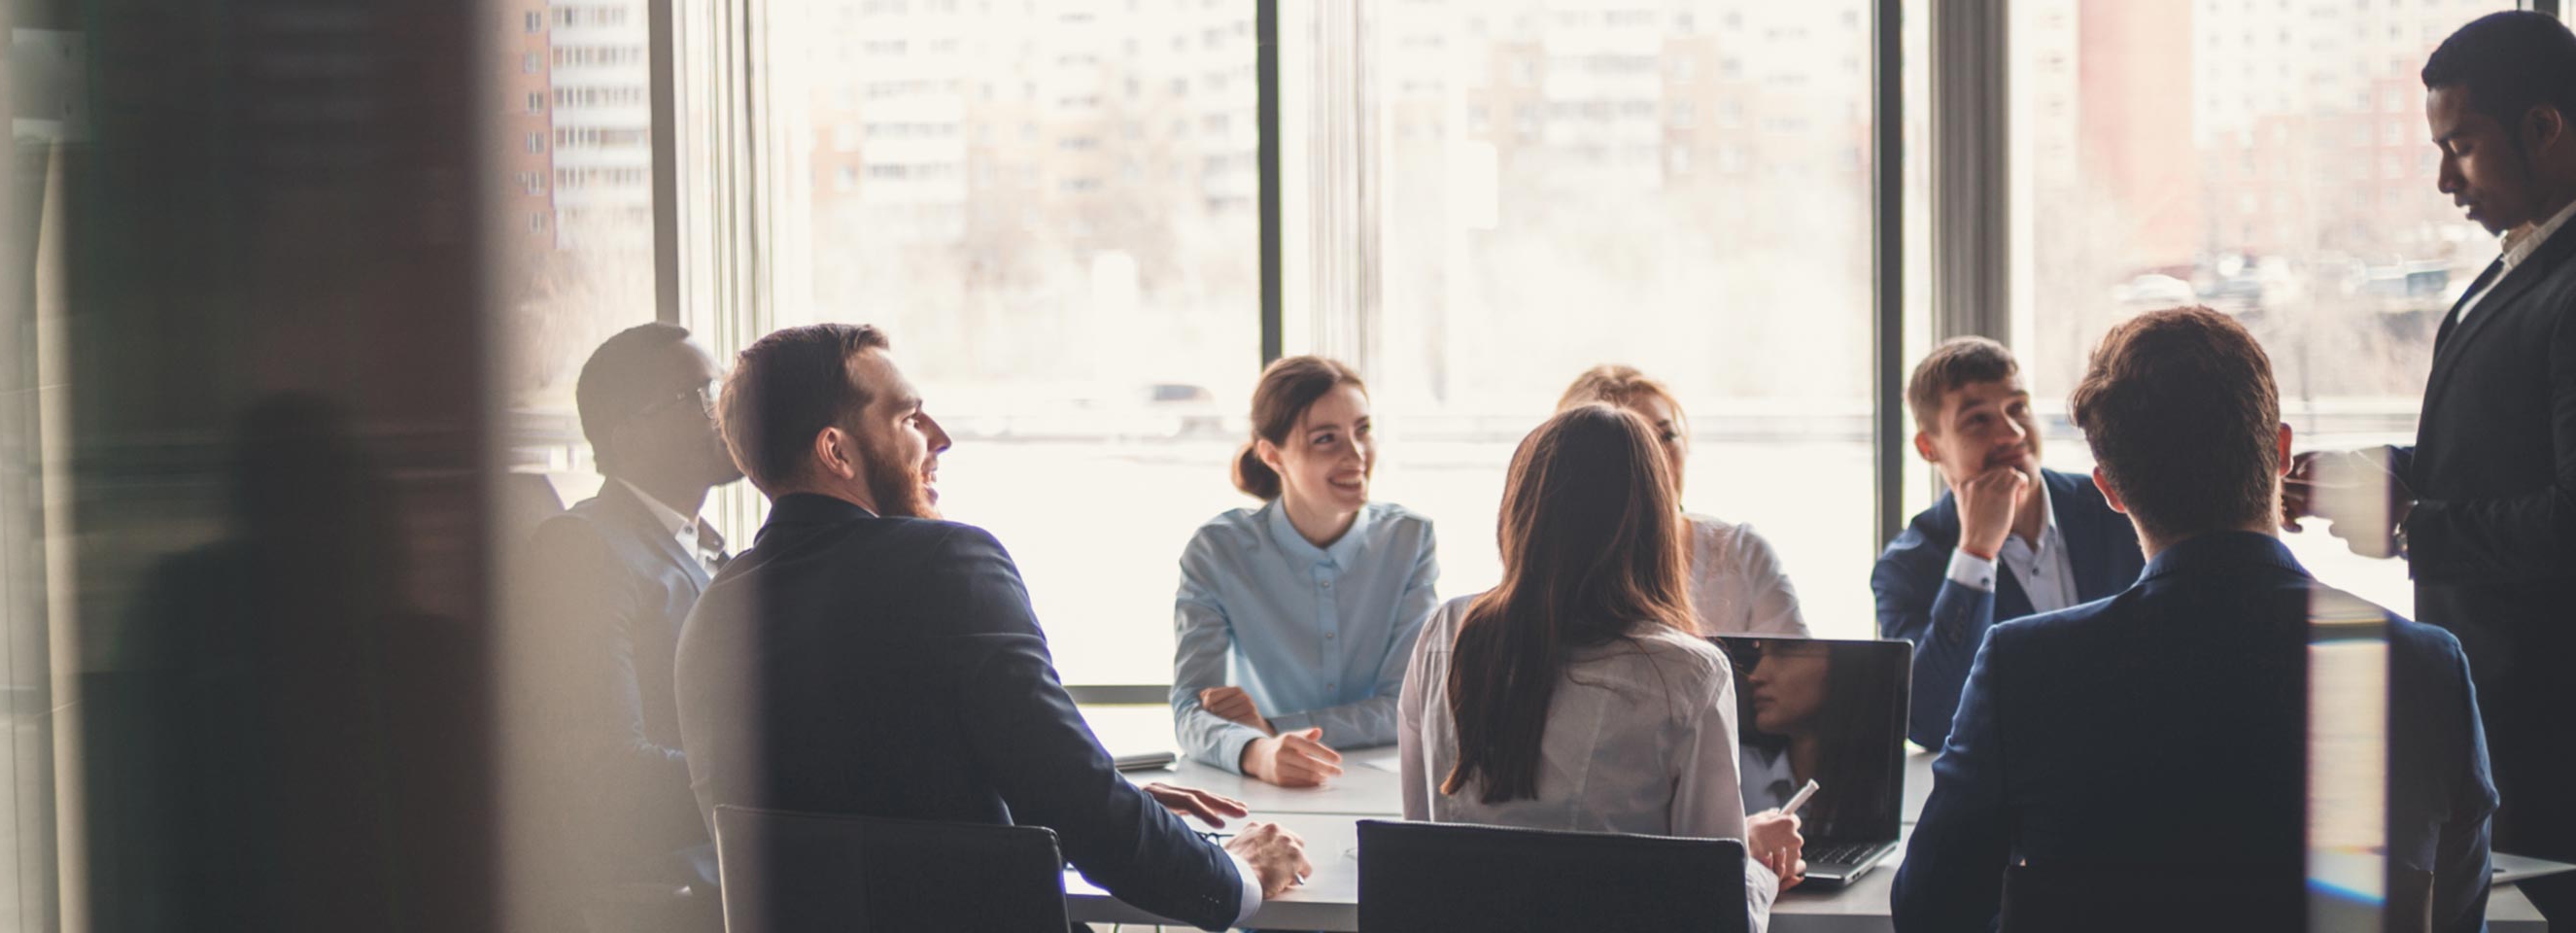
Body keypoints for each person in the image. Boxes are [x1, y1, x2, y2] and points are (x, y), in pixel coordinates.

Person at [2284, 13, 2576, 928]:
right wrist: (2365, 476)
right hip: (2526, 712)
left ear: (2545, 127)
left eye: (2462, 146)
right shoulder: (2537, 261)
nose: (2445, 180)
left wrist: (2405, 526)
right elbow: (2496, 452)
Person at [677, 324, 1309, 930]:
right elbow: (1077, 801)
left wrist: (1079, 805)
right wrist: (1235, 876)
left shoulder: (714, 610)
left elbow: (874, 809)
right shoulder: (945, 562)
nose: (940, 437)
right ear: (837, 451)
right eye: (908, 418)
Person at [1893, 308, 2497, 932]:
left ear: (2111, 490)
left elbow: (1929, 912)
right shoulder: (2427, 666)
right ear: (2280, 450)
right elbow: (2454, 917)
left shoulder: (2023, 670)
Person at [1394, 404, 1808, 930]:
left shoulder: (1446, 633)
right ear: (1654, 524)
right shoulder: (1688, 674)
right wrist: (1757, 867)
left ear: (1520, 510)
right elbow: (1716, 913)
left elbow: (1420, 848)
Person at [513, 324, 745, 891]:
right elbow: (610, 771)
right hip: (665, 892)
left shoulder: (720, 551)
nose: (722, 411)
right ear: (628, 436)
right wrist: (772, 779)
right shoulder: (580, 547)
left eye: (719, 390)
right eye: (698, 396)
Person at [1172, 357, 1442, 787]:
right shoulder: (1217, 552)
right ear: (1272, 455)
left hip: (1383, 786)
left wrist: (1274, 728)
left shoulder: (1409, 541)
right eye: (1325, 439)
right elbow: (1190, 709)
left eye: (1363, 430)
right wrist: (1257, 751)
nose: (1355, 454)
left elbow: (1408, 706)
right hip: (1262, 789)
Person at [1871, 337, 2145, 749]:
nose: (2011, 433)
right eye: (1978, 419)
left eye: (2018, 408)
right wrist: (1975, 555)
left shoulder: (2117, 508)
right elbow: (1928, 723)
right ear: (1929, 447)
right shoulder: (1906, 567)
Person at [1561, 365, 1812, 638]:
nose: (1657, 458)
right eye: (1634, 445)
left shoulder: (1742, 553)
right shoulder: (1554, 572)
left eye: (1667, 436)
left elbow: (1799, 672)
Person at [1724, 639, 1900, 828]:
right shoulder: (1731, 771)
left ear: (1845, 662)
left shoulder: (1883, 789)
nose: (1755, 676)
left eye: (1787, 648)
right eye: (1759, 652)